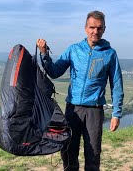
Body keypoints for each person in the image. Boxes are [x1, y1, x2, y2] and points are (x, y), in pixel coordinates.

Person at [36, 10, 124, 171]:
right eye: (92, 27)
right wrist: (44, 54)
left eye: (99, 28)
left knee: (93, 153)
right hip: (73, 109)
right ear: (85, 28)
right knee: (69, 150)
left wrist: (116, 114)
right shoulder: (74, 50)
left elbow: (116, 85)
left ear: (104, 29)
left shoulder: (110, 54)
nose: (95, 31)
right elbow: (55, 72)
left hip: (94, 111)